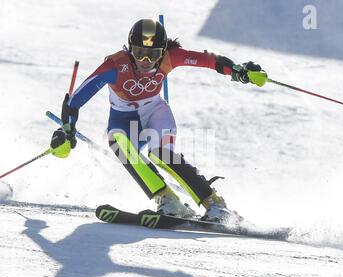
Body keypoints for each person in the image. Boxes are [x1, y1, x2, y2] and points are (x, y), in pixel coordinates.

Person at [50, 18, 267, 224]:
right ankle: (168, 200)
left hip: (155, 113)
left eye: (152, 55)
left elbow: (209, 60)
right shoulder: (115, 66)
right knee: (118, 142)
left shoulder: (170, 57)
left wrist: (239, 70)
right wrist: (66, 130)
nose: (145, 61)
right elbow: (75, 100)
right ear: (129, 48)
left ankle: (216, 205)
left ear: (162, 52)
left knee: (160, 153)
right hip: (123, 121)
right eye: (139, 53)